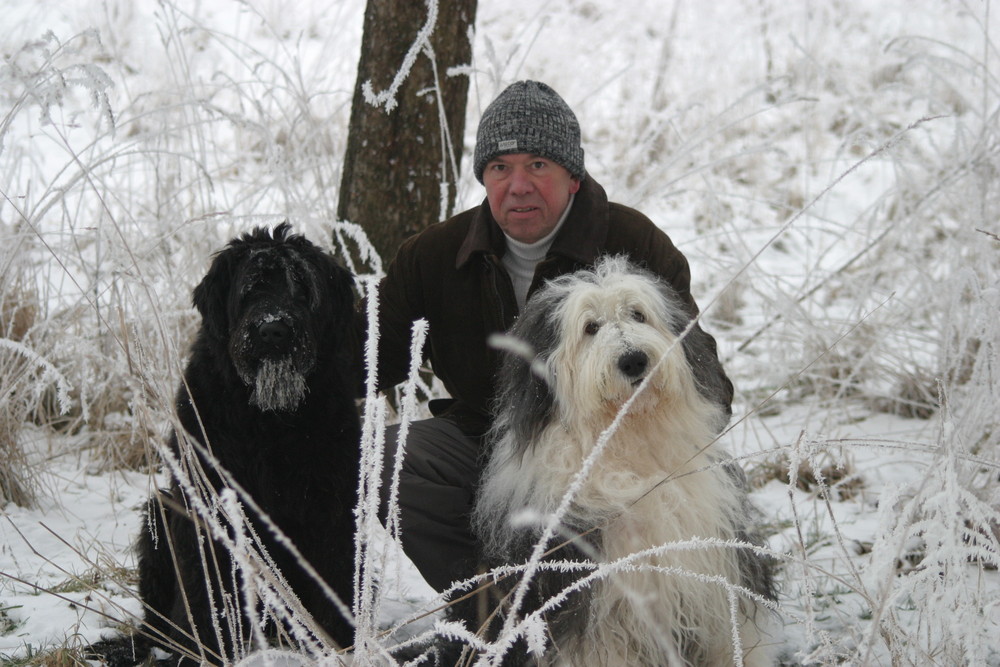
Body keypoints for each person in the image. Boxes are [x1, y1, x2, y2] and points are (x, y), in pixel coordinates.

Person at [361, 80, 733, 593]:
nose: (518, 185)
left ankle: (625, 608)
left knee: (609, 490)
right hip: (483, 436)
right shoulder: (433, 255)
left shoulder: (633, 242)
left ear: (573, 176)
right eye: (500, 168)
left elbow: (698, 369)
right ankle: (496, 610)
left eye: (538, 164)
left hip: (607, 442)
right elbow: (363, 355)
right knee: (382, 460)